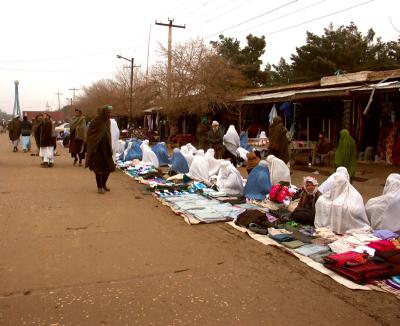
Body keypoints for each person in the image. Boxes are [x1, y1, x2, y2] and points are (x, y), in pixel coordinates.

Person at [86, 105, 115, 194]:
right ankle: (99, 187)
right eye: (108, 112)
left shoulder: (108, 121)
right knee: (98, 169)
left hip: (106, 148)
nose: (109, 114)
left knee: (109, 167)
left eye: (110, 112)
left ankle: (103, 184)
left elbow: (108, 133)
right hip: (97, 148)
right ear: (104, 112)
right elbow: (90, 133)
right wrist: (94, 144)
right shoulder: (96, 121)